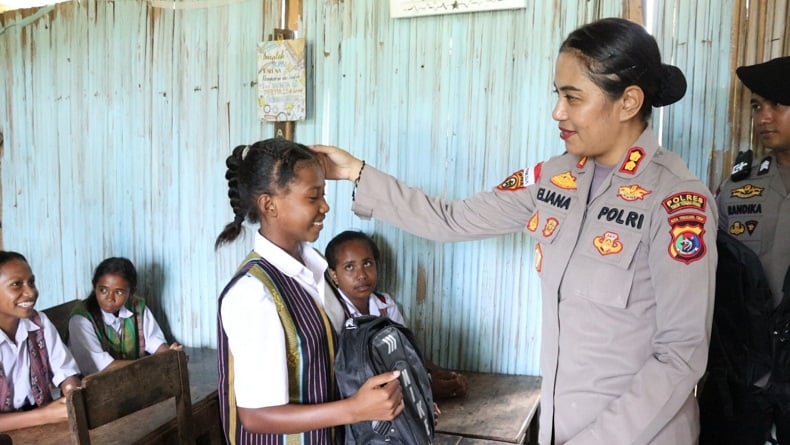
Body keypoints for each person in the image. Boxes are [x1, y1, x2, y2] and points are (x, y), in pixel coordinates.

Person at [312, 17, 717, 445]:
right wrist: (355, 171)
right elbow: (452, 218)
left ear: (628, 102)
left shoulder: (675, 200)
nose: (557, 111)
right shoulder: (555, 179)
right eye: (557, 94)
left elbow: (680, 355)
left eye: (572, 97)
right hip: (559, 428)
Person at [214, 138, 404, 444]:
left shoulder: (315, 269)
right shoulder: (253, 294)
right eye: (313, 197)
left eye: (323, 195)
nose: (325, 206)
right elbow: (255, 417)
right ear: (269, 205)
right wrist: (355, 409)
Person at [702, 55, 790, 445]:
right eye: (757, 106)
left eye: (778, 105)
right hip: (746, 380)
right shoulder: (737, 190)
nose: (763, 117)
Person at [325, 229, 469, 400]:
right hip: (355, 396)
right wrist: (427, 384)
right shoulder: (333, 313)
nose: (362, 275)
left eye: (368, 263)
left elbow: (406, 351)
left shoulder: (385, 305)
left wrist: (438, 373)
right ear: (334, 275)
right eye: (350, 267)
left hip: (394, 384)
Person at [0, 251, 81, 431]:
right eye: (16, 284)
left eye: (31, 282)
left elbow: (65, 370)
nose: (30, 292)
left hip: (42, 424)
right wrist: (45, 415)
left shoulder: (39, 322)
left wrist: (71, 394)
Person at [67, 257, 183, 375]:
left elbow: (154, 341)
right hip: (97, 383)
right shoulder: (81, 319)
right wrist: (152, 365)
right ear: (94, 286)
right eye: (103, 290)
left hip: (135, 377)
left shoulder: (137, 306)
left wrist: (170, 355)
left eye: (119, 292)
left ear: (131, 292)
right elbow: (102, 366)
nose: (110, 298)